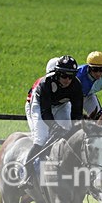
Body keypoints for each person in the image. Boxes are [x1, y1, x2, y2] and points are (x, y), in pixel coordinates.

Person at [22, 55, 83, 185]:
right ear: (57, 73)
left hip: (61, 105)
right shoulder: (46, 83)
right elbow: (45, 113)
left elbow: (76, 113)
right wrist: (55, 127)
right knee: (41, 138)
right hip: (39, 105)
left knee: (69, 133)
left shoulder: (77, 85)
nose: (67, 80)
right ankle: (25, 174)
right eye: (64, 76)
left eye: (71, 76)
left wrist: (75, 129)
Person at [76, 51, 102, 116]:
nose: (98, 73)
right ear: (88, 68)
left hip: (88, 96)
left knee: (98, 116)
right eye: (95, 69)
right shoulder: (78, 75)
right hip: (72, 97)